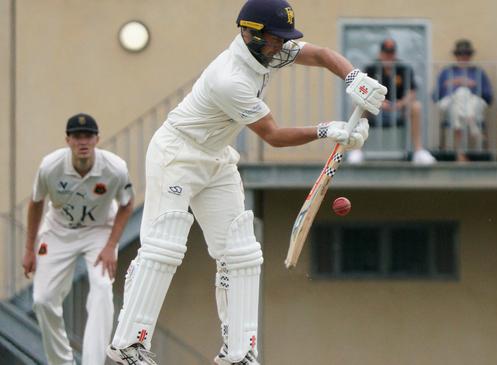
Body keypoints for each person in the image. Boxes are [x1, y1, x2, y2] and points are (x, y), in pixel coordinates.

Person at [106, 0, 386, 364]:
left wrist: (356, 80)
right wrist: (327, 129)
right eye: (275, 39)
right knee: (164, 246)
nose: (282, 46)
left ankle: (238, 353)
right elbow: (272, 135)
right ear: (249, 33)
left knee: (240, 252)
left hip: (217, 156)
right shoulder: (230, 78)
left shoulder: (270, 49)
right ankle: (128, 344)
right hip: (178, 154)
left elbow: (321, 54)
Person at [21, 113, 134, 365]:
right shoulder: (50, 166)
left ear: (97, 139)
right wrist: (29, 249)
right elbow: (36, 202)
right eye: (76, 136)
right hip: (58, 231)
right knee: (42, 299)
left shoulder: (115, 168)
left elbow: (127, 205)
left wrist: (110, 246)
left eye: (88, 136)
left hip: (99, 232)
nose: (82, 141)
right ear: (67, 140)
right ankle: (62, 362)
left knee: (103, 288)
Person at [347, 38, 435, 165]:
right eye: (386, 52)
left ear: (395, 53)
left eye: (391, 52)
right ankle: (357, 151)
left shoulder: (404, 68)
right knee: (357, 105)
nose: (389, 55)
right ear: (380, 53)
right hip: (375, 109)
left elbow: (412, 92)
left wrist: (400, 104)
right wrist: (380, 103)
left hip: (399, 110)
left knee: (416, 106)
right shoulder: (371, 68)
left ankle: (418, 151)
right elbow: (363, 91)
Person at [433, 39, 493, 161]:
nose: (464, 56)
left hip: (473, 102)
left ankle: (460, 153)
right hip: (451, 102)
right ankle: (472, 126)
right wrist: (452, 84)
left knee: (464, 94)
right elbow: (435, 95)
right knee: (460, 93)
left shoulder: (478, 72)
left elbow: (488, 96)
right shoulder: (447, 71)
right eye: (461, 53)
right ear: (456, 55)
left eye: (467, 54)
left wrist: (474, 86)